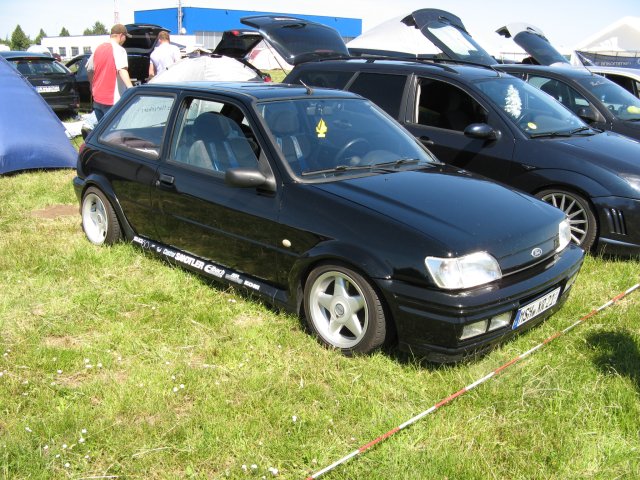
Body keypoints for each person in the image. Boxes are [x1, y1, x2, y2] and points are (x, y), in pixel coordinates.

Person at [86, 24, 134, 121]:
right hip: (112, 100)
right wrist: (132, 89)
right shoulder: (119, 50)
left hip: (97, 99)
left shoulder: (98, 48)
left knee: (101, 131)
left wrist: (92, 87)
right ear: (121, 35)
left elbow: (89, 69)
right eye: (125, 37)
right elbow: (122, 70)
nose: (125, 40)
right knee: (113, 132)